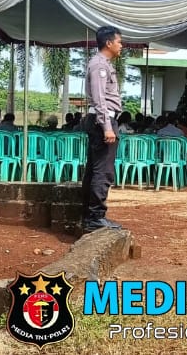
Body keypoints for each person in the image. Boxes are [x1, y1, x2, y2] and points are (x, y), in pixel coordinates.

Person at [81, 26, 124, 233]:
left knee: (95, 169)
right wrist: (107, 127)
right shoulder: (99, 65)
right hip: (102, 121)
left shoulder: (103, 64)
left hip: (101, 120)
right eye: (119, 42)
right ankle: (95, 217)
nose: (121, 45)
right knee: (103, 171)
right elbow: (100, 99)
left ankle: (90, 214)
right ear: (109, 43)